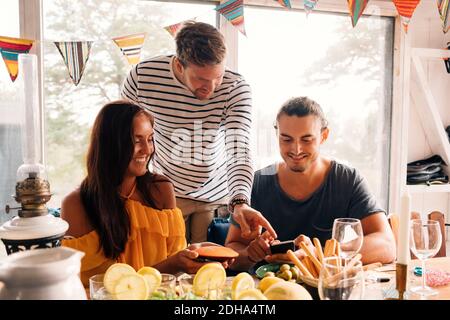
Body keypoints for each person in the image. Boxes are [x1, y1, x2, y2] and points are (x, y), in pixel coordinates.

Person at [121, 21, 275, 243]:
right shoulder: (142, 77)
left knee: (210, 268)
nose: (211, 88)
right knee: (169, 268)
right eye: (201, 79)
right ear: (180, 65)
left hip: (216, 196)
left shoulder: (235, 87)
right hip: (164, 192)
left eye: (217, 77)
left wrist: (240, 201)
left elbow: (239, 148)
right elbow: (122, 135)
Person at [61, 100, 231, 287]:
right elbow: (80, 284)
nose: (148, 149)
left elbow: (174, 266)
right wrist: (175, 263)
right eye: (136, 140)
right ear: (110, 144)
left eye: (150, 139)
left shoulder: (161, 189)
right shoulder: (76, 204)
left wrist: (193, 254)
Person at [226, 96, 396, 271]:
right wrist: (249, 253)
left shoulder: (347, 180)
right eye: (286, 139)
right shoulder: (257, 183)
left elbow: (387, 245)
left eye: (307, 140)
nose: (296, 149)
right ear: (277, 134)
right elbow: (231, 252)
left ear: (324, 136)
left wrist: (318, 254)